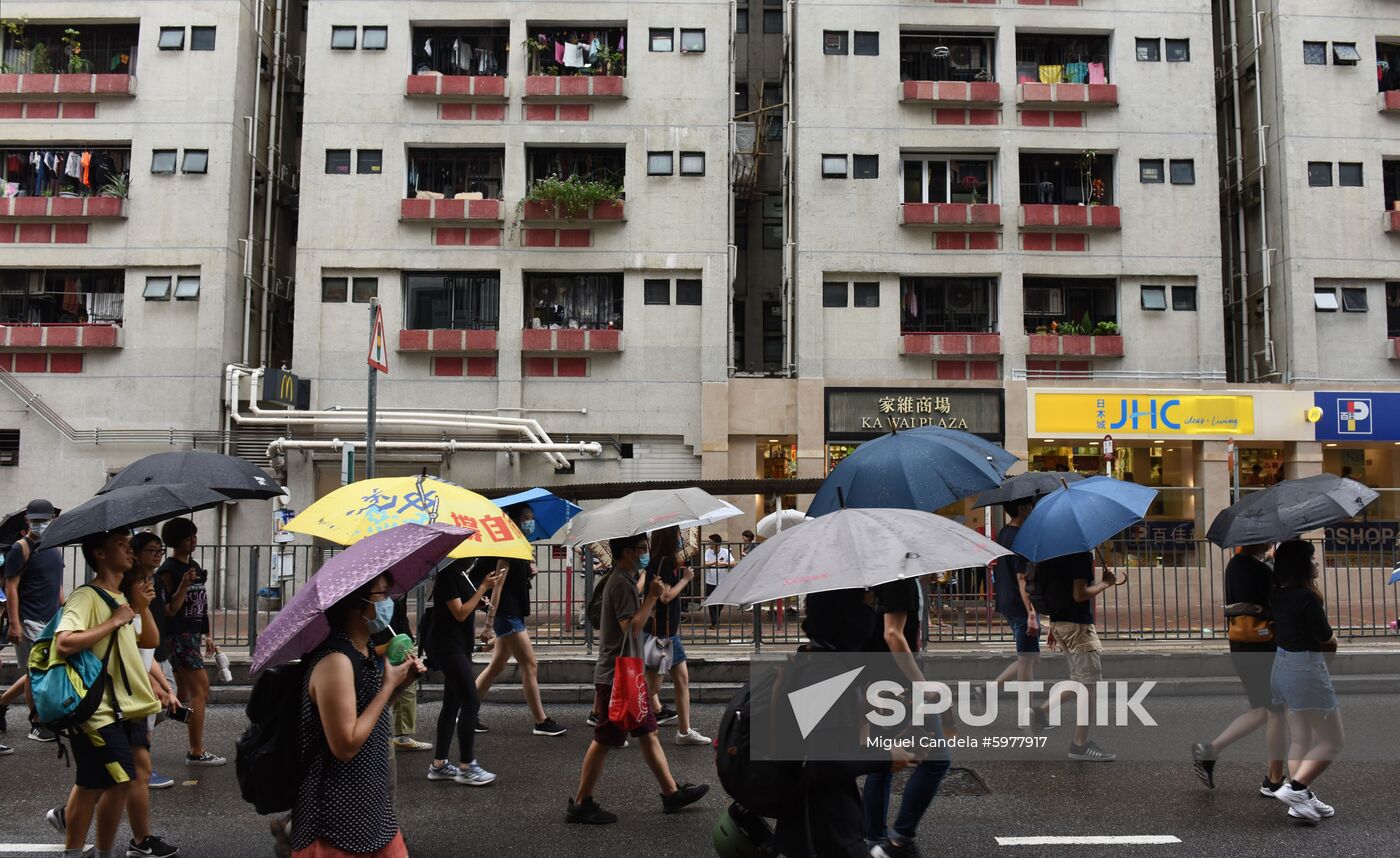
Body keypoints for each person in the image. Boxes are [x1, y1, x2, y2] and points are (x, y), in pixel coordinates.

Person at [566, 532, 708, 824]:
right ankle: (581, 803)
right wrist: (653, 598)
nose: (646, 553)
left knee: (647, 731)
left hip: (627, 670)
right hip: (616, 674)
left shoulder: (627, 580)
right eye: (642, 549)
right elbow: (631, 628)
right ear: (628, 552)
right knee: (605, 738)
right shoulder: (620, 584)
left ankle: (671, 793)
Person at [45, 529, 161, 858]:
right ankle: (98, 852)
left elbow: (149, 641)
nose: (131, 552)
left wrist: (141, 607)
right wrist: (114, 621)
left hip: (120, 708)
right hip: (95, 709)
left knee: (93, 783)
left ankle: (89, 852)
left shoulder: (121, 597)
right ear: (99, 553)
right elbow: (64, 641)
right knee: (122, 778)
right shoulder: (87, 597)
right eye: (121, 545)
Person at [292, 572, 426, 856]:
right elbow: (346, 745)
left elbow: (369, 716)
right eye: (381, 595)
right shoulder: (335, 662)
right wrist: (387, 685)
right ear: (357, 605)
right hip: (334, 821)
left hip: (371, 811)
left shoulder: (361, 651)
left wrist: (401, 685)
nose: (388, 603)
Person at [774, 588, 913, 858]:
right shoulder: (823, 673)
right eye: (866, 604)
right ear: (844, 612)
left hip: (809, 826)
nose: (872, 613)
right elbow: (824, 762)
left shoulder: (814, 660)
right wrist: (885, 759)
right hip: (827, 831)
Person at [1190, 542, 1287, 794]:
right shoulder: (1259, 570)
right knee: (1276, 711)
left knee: (1263, 710)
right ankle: (1274, 780)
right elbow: (1278, 603)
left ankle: (1210, 751)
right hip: (1264, 646)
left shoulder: (1234, 566)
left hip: (1241, 646)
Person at [864, 573, 948, 858]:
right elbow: (893, 634)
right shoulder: (899, 578)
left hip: (876, 678)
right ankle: (898, 840)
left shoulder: (880, 572)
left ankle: (873, 839)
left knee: (882, 763)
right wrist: (921, 684)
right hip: (897, 684)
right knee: (938, 759)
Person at [473, 504, 567, 737]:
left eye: (531, 518)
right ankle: (541, 721)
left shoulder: (519, 547)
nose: (530, 522)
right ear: (514, 520)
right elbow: (498, 586)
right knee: (530, 665)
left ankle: (466, 712)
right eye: (526, 518)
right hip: (507, 614)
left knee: (496, 666)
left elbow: (514, 580)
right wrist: (488, 624)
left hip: (512, 613)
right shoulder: (507, 548)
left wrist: (528, 570)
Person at [1266, 539, 1342, 824]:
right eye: (1312, 558)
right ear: (1301, 565)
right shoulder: (1307, 598)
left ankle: (1302, 800)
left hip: (1282, 665)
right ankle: (1296, 789)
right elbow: (1325, 637)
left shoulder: (1278, 593)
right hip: (1305, 669)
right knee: (1333, 741)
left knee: (1300, 739)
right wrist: (1332, 643)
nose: (1317, 563)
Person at [117, 533, 180, 856]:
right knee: (123, 772)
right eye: (144, 584)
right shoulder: (123, 613)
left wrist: (163, 686)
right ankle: (138, 841)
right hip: (121, 701)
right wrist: (156, 686)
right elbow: (130, 658)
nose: (151, 587)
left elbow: (149, 653)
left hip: (136, 698)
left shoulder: (139, 613)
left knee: (124, 772)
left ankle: (139, 840)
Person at [1024, 551, 1117, 761]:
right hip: (1077, 626)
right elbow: (1079, 594)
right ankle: (1080, 744)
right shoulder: (1079, 554)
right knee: (1089, 685)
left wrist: (1054, 627)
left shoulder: (1050, 554)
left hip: (1059, 623)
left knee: (1079, 680)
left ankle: (1041, 712)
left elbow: (1056, 591)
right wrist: (1105, 583)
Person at [426, 557, 504, 786]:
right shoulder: (448, 575)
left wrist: (481, 597)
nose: (476, 557)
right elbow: (459, 612)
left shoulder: (461, 575)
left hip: (458, 645)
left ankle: (439, 764)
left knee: (452, 704)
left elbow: (468, 605)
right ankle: (467, 766)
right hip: (447, 646)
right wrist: (482, 588)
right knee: (471, 700)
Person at [156, 518, 223, 767]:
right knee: (200, 690)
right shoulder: (168, 570)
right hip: (178, 634)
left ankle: (153, 714)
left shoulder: (193, 564)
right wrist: (183, 584)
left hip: (193, 633)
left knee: (181, 693)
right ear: (176, 541)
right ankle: (196, 751)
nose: (193, 541)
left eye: (194, 536)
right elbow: (169, 609)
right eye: (188, 538)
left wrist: (207, 634)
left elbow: (201, 604)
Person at [1, 499, 65, 743]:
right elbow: (12, 587)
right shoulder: (21, 548)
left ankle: (2, 703)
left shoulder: (55, 546)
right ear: (27, 520)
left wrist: (65, 607)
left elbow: (56, 581)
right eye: (35, 520)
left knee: (37, 670)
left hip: (52, 619)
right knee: (36, 670)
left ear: (53, 519)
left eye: (44, 520)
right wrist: (15, 624)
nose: (39, 524)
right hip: (30, 619)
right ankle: (36, 722)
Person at [642, 526, 709, 746]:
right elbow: (666, 597)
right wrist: (686, 578)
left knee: (682, 680)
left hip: (666, 633)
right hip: (662, 634)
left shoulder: (655, 561)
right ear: (672, 538)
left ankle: (684, 731)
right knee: (651, 688)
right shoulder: (667, 562)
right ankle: (617, 723)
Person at [990, 499, 1039, 690]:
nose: (1032, 509)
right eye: (1030, 506)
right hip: (1020, 604)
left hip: (1006, 600)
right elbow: (1022, 578)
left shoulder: (1004, 532)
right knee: (1027, 660)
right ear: (1022, 509)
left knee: (1033, 658)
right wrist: (1032, 613)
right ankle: (1027, 712)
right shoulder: (1021, 538)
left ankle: (990, 689)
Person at [372, 596, 430, 752]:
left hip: (401, 639)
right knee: (376, 690)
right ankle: (381, 735)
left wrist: (411, 677)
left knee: (407, 690)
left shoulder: (398, 586)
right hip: (380, 643)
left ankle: (401, 735)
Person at [702, 533, 734, 629]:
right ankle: (714, 622)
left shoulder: (725, 551)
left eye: (711, 542)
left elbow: (733, 563)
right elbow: (705, 564)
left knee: (721, 601)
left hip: (722, 581)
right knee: (710, 602)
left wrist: (723, 563)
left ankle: (716, 620)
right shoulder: (708, 551)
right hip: (710, 580)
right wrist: (714, 562)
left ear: (717, 544)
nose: (709, 544)